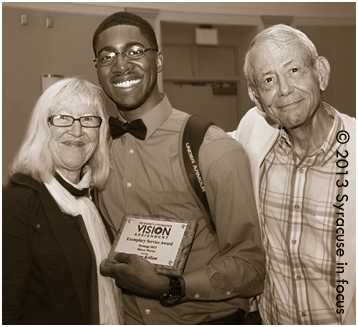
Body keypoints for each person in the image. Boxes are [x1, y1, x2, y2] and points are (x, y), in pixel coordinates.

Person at [93, 11, 265, 325]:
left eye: (134, 51)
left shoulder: (211, 148)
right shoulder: (94, 153)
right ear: (98, 70)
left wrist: (172, 285)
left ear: (158, 61)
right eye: (107, 56)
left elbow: (251, 267)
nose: (120, 65)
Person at [230, 24, 356, 324]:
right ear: (256, 97)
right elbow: (202, 153)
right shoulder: (252, 134)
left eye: (295, 70)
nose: (284, 89)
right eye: (268, 79)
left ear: (321, 73)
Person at [2, 77, 124, 325]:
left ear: (100, 131)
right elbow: (6, 308)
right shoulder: (16, 202)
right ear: (43, 127)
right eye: (63, 118)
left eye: (88, 120)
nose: (76, 131)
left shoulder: (95, 196)